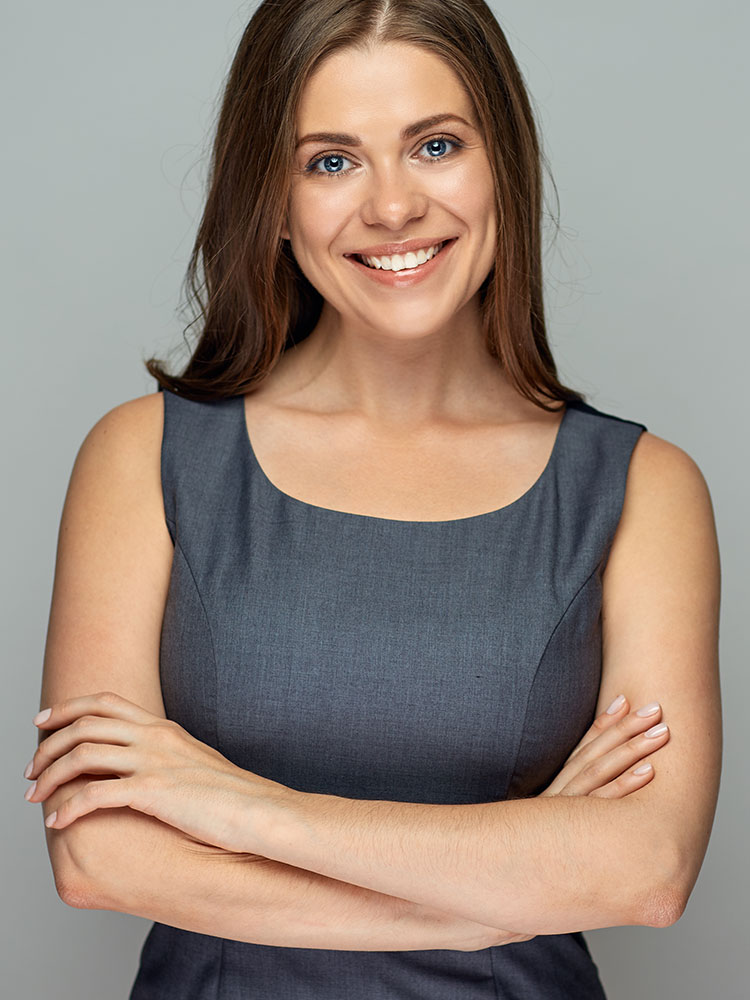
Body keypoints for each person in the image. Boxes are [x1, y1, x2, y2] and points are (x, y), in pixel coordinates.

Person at [25, 1, 722, 997]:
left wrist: (244, 808)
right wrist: (513, 878)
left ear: (504, 168)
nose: (392, 208)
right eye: (332, 161)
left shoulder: (643, 490)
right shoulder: (145, 457)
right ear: (271, 197)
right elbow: (98, 857)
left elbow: (647, 872)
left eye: (435, 145)